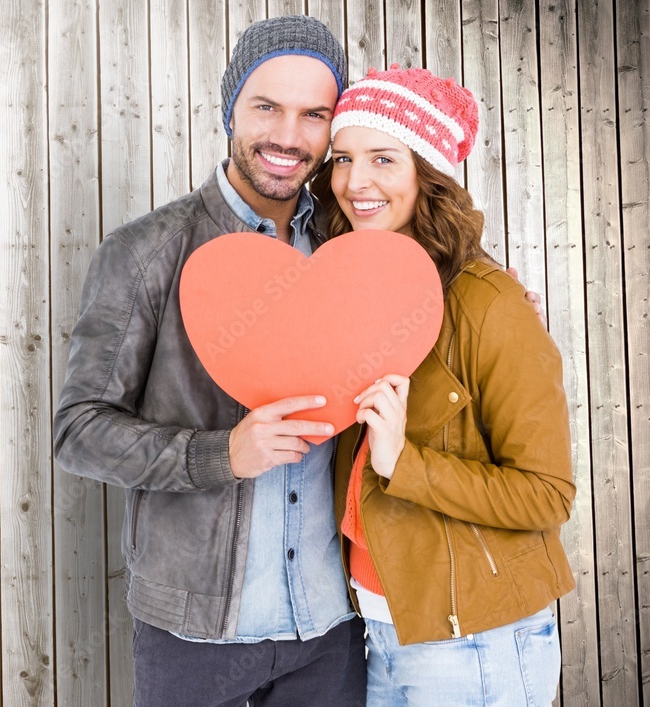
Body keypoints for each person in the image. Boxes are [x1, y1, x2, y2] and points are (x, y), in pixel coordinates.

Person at [54, 15, 367, 707]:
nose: (289, 136)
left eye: (315, 114)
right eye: (266, 107)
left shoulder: (349, 249)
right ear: (230, 108)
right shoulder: (146, 251)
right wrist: (221, 452)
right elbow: (78, 430)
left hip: (332, 626)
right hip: (193, 635)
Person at [309, 65, 576, 705]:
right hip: (375, 625)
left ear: (427, 174)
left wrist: (405, 461)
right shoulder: (351, 295)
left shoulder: (487, 303)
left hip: (473, 642)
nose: (355, 181)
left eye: (383, 158)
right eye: (342, 159)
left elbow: (548, 495)